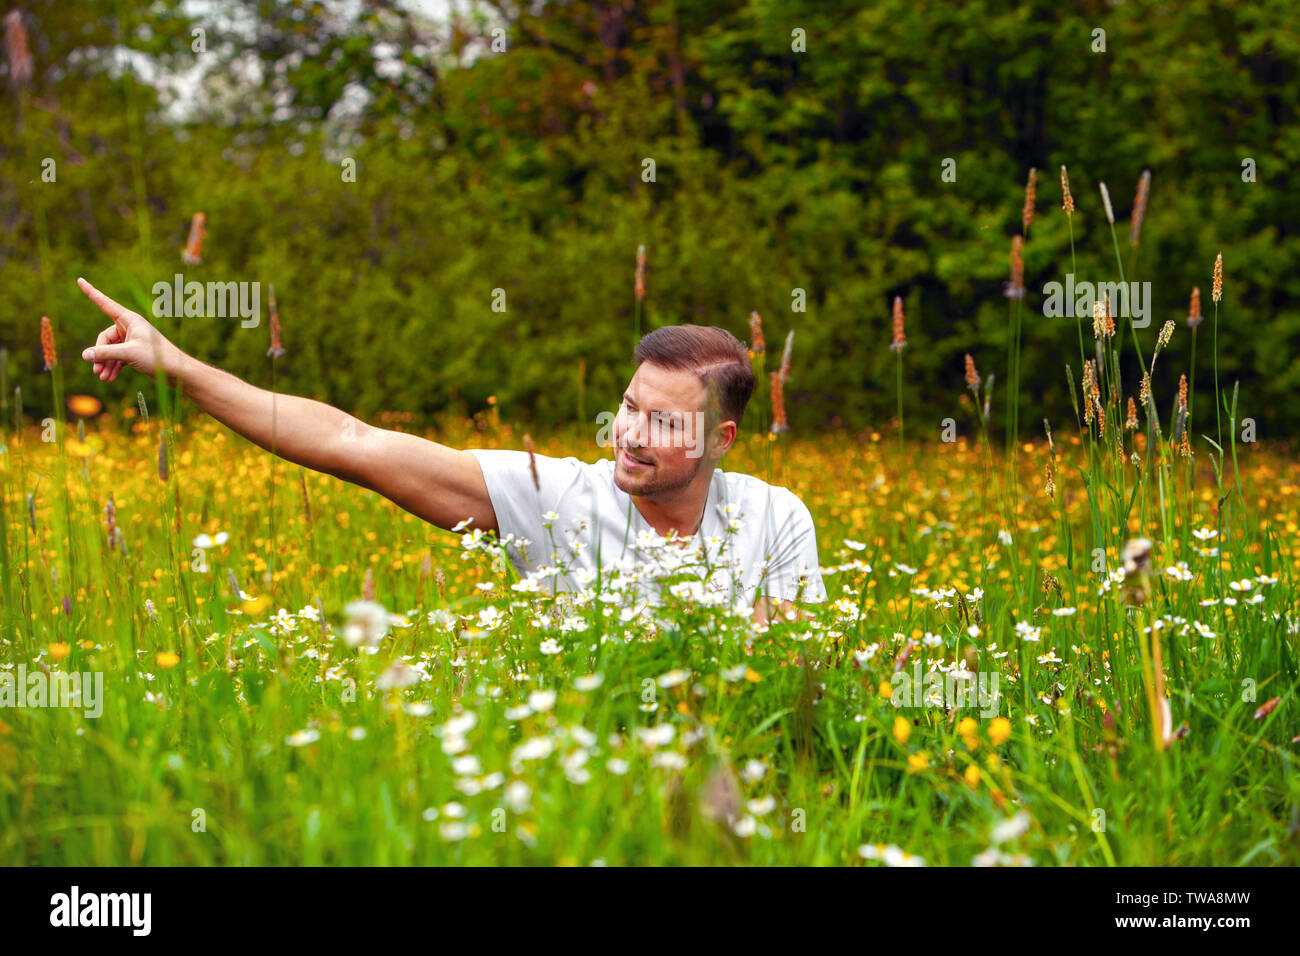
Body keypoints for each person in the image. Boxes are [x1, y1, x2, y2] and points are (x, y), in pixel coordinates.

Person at [76, 278, 826, 626]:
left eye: (663, 424)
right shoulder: (554, 496)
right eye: (629, 408)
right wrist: (173, 361)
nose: (629, 434)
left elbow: (795, 666)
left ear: (720, 440)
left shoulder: (774, 516)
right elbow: (351, 442)